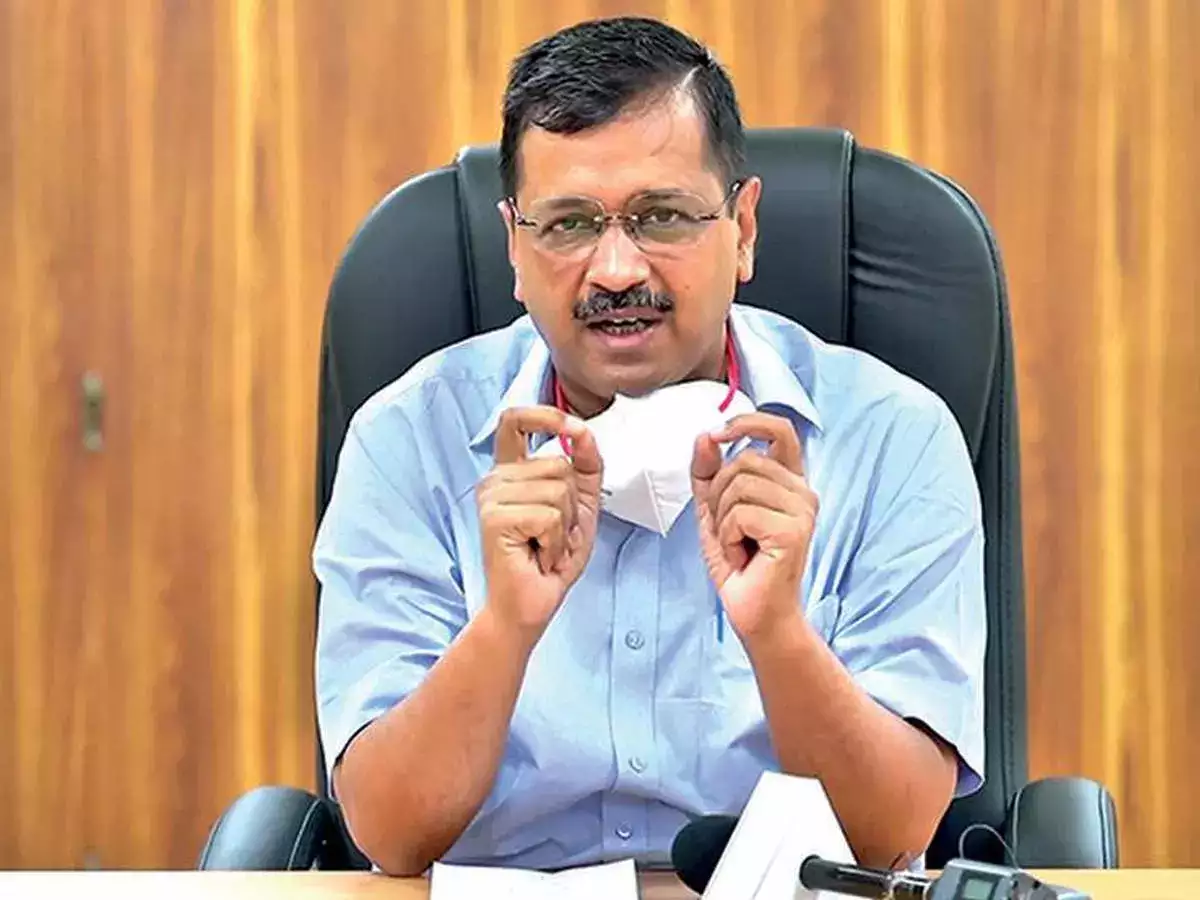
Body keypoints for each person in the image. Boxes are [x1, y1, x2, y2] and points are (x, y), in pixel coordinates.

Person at [313, 16, 985, 877]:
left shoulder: (894, 438)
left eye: (661, 216)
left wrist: (779, 635)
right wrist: (504, 630)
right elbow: (388, 833)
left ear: (744, 228)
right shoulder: (409, 440)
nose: (616, 271)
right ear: (514, 245)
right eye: (568, 225)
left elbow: (890, 841)